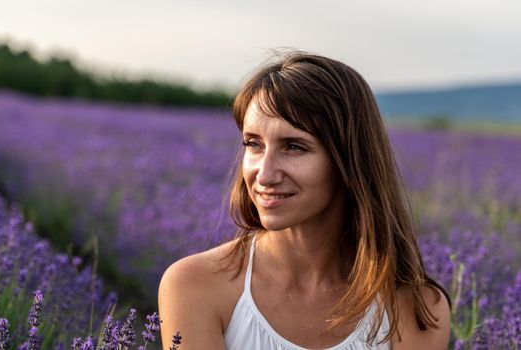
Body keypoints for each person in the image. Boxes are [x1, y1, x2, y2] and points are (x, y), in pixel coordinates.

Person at [158, 51, 451, 349]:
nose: (265, 173)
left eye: (294, 147)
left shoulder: (415, 307)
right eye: (253, 144)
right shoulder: (196, 286)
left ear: (349, 161)